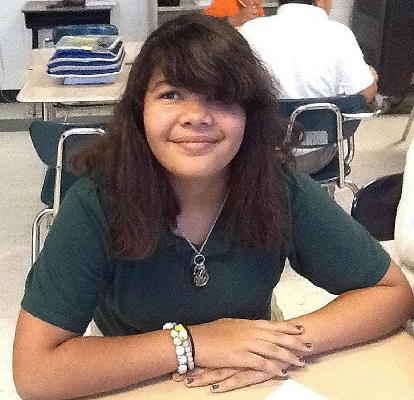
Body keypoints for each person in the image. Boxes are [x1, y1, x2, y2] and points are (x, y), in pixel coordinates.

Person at [13, 14, 413, 400]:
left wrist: (275, 345)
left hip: (249, 381)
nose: (195, 117)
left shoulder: (278, 187)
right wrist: (194, 343)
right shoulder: (97, 202)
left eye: (221, 98)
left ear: (249, 115)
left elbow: (391, 293)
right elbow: (35, 371)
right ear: (139, 111)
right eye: (171, 95)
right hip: (135, 378)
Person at [239, 0, 379, 174]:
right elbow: (365, 94)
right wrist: (371, 76)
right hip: (316, 158)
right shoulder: (339, 33)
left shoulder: (249, 31)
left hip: (260, 156)